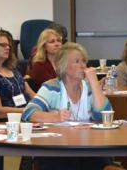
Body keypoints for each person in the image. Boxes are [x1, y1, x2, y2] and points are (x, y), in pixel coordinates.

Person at [22, 42, 112, 170]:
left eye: (84, 61)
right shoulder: (52, 87)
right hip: (58, 148)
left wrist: (93, 82)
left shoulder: (89, 87)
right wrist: (55, 117)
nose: (83, 65)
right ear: (63, 66)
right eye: (77, 61)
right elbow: (28, 113)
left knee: (102, 163)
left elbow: (105, 115)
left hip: (89, 147)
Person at [0, 31, 36, 120]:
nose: (8, 48)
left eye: (8, 45)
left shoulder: (14, 70)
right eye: (3, 45)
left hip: (28, 115)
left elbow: (30, 92)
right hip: (9, 120)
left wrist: (42, 104)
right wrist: (27, 110)